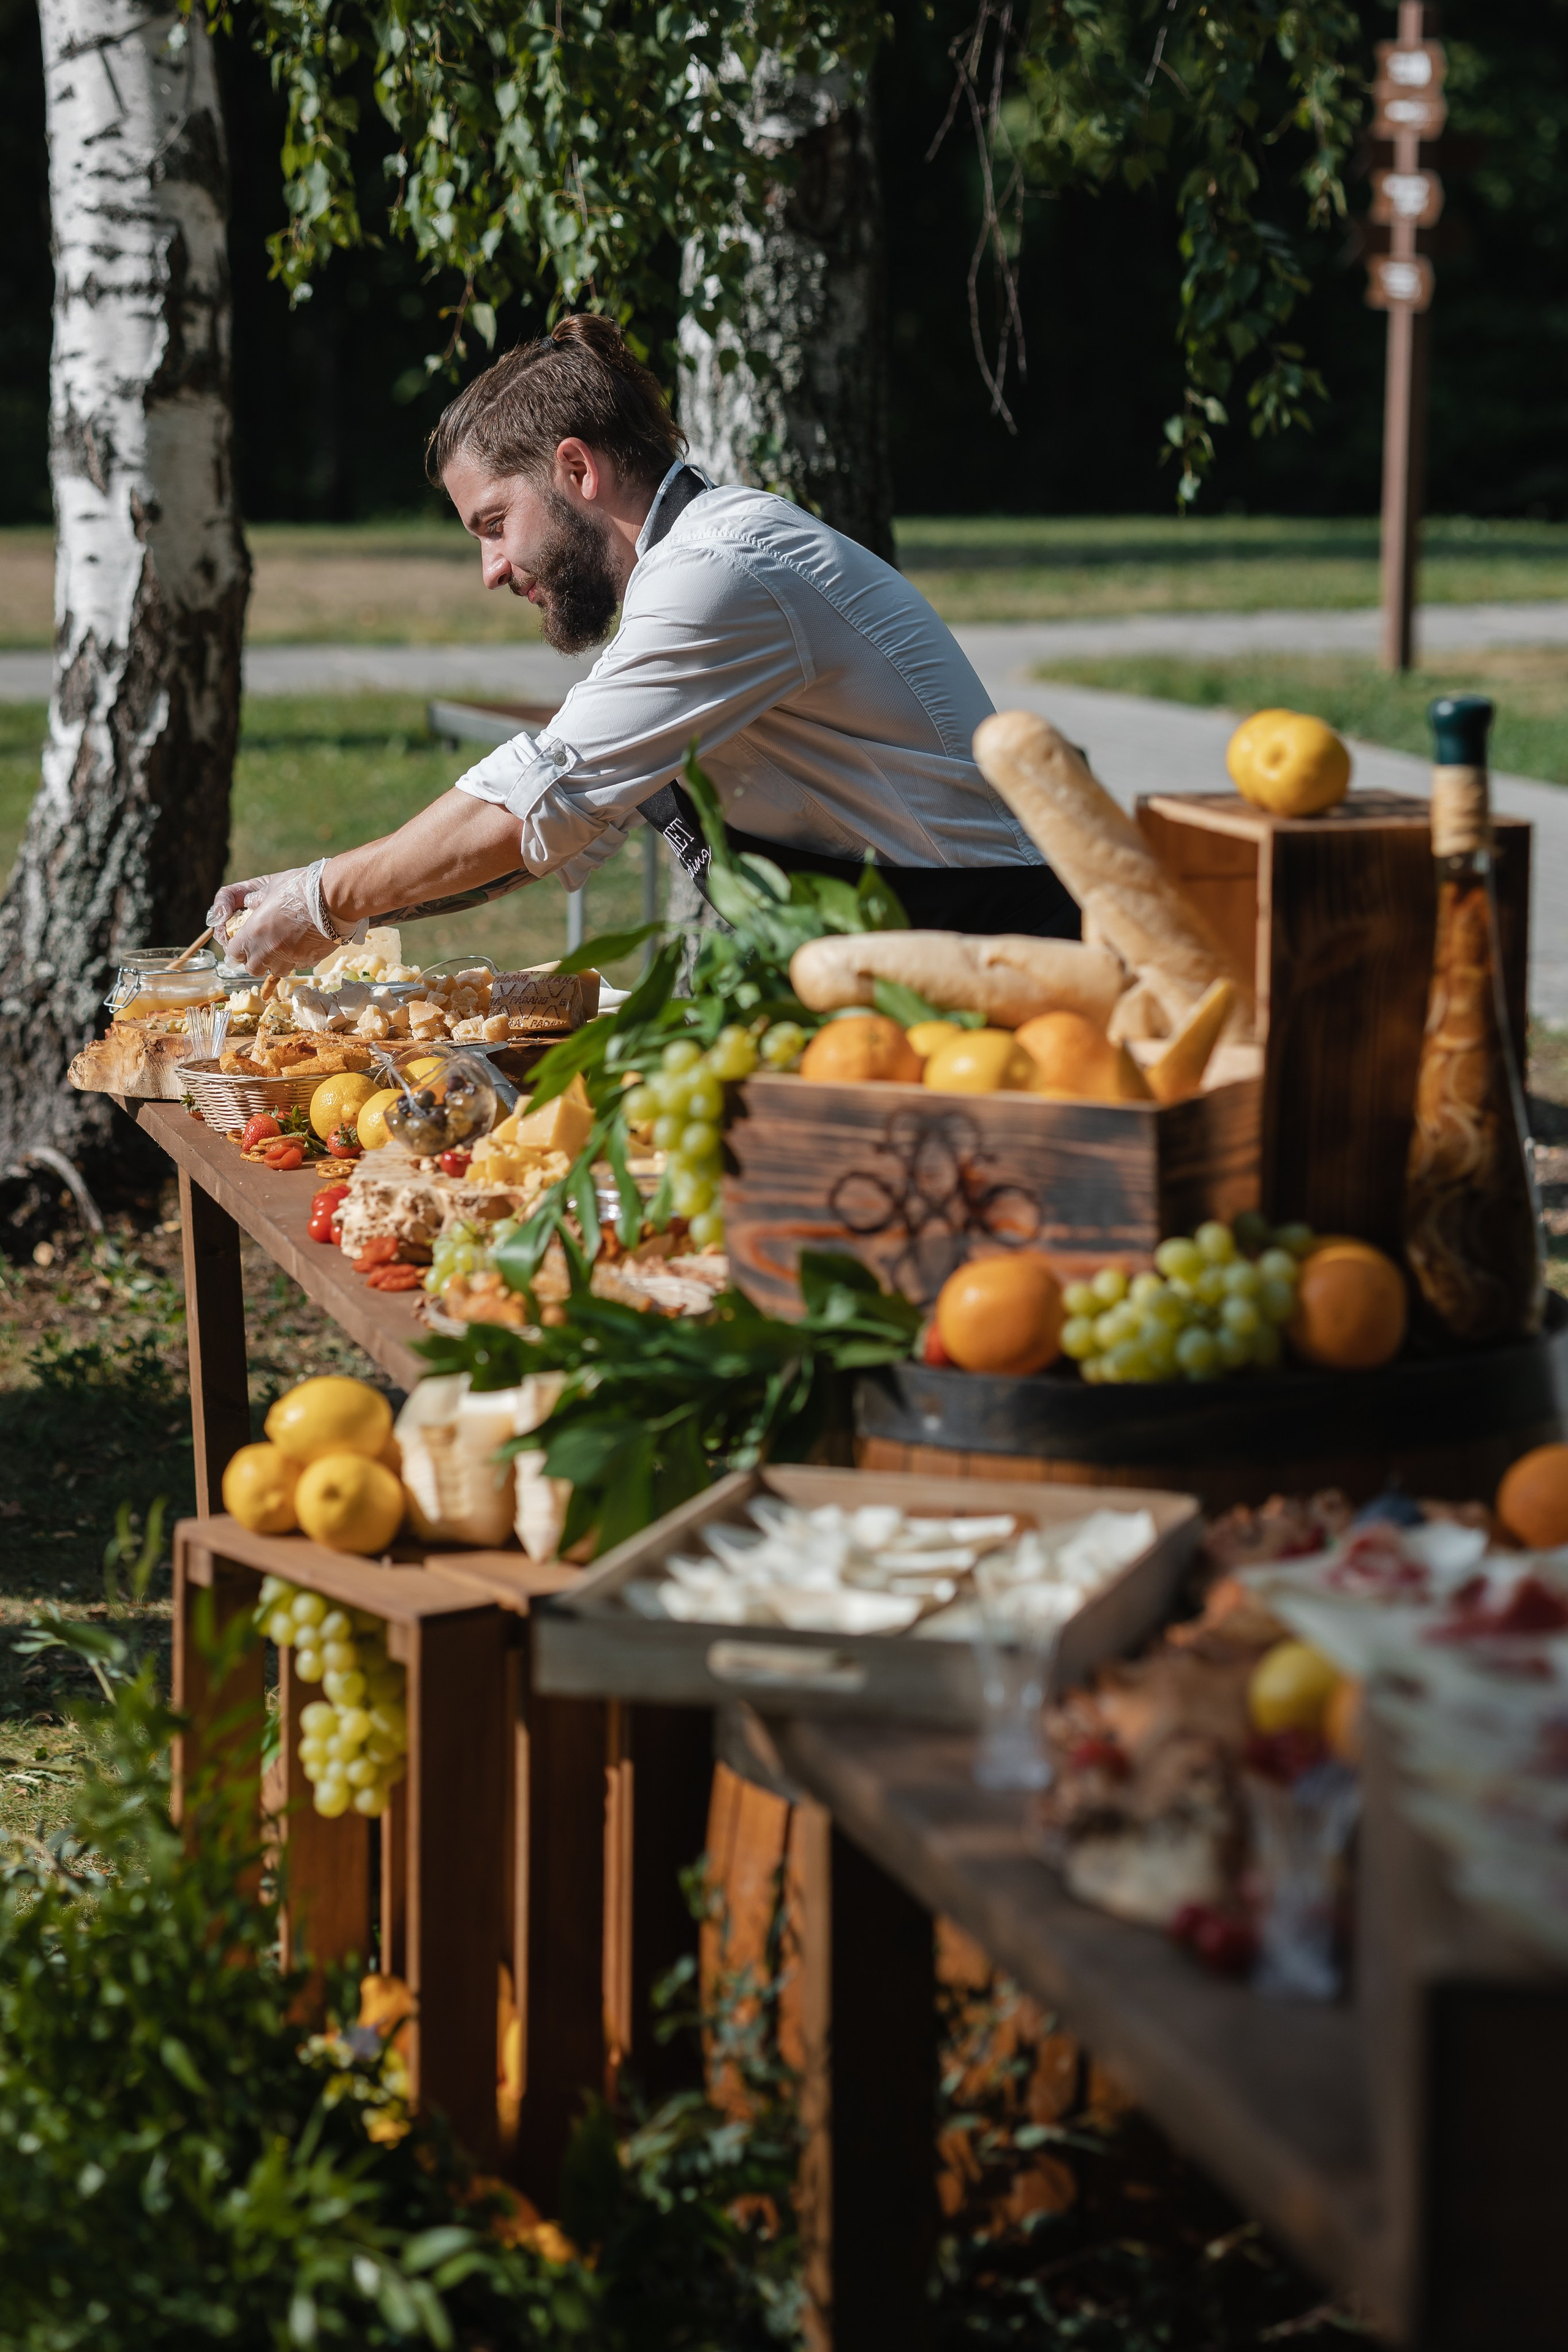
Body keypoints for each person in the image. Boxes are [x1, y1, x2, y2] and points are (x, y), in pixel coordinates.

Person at [215, 315, 1076, 974]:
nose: (490, 569)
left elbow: (526, 808)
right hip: (895, 958)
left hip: (995, 961)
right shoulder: (683, 577)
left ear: (577, 471)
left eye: (493, 524)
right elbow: (550, 836)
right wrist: (341, 908)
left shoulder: (721, 574)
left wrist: (324, 899)